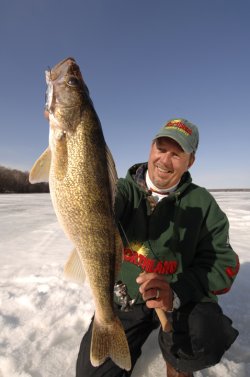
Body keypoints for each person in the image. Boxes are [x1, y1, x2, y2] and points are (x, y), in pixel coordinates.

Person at [76, 118, 239, 377]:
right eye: (161, 149)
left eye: (176, 154)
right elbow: (90, 203)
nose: (164, 160)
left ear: (190, 161)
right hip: (127, 299)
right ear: (151, 147)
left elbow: (224, 264)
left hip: (179, 300)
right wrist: (72, 138)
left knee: (204, 338)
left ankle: (178, 363)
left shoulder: (203, 204)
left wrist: (176, 291)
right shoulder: (119, 191)